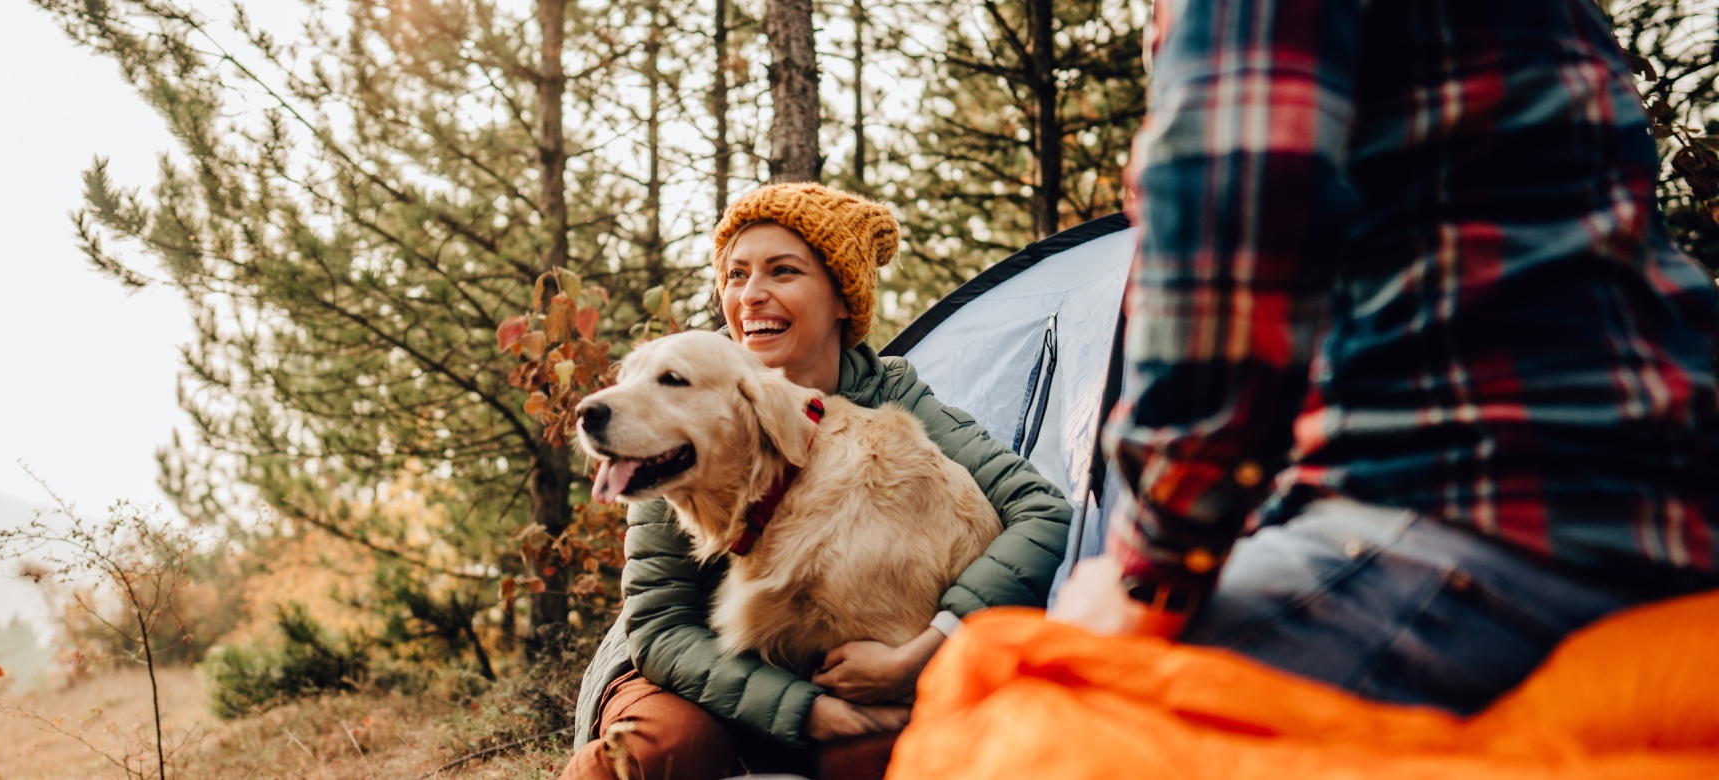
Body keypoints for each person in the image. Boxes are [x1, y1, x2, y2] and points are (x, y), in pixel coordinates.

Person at [1052, 0, 1719, 715]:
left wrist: (1148, 570)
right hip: (1669, 508)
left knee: (1036, 708)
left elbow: (1241, 194)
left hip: (1467, 505)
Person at [560, 182, 1072, 779]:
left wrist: (922, 652)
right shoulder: (684, 396)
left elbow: (1043, 513)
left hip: (847, 664)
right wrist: (806, 711)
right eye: (735, 275)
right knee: (661, 749)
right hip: (693, 670)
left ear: (840, 299)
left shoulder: (894, 397)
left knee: (891, 754)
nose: (751, 295)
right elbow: (661, 624)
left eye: (783, 271)